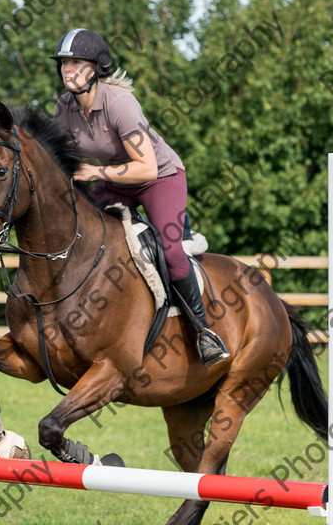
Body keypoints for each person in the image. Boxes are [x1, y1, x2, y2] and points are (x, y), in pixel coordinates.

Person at [49, 28, 229, 367]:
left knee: (172, 250)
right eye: (63, 63)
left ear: (96, 68)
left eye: (75, 62)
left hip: (159, 179)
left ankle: (204, 332)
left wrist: (96, 173)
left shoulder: (120, 104)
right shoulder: (64, 107)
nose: (67, 70)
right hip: (117, 182)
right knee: (81, 234)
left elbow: (146, 168)